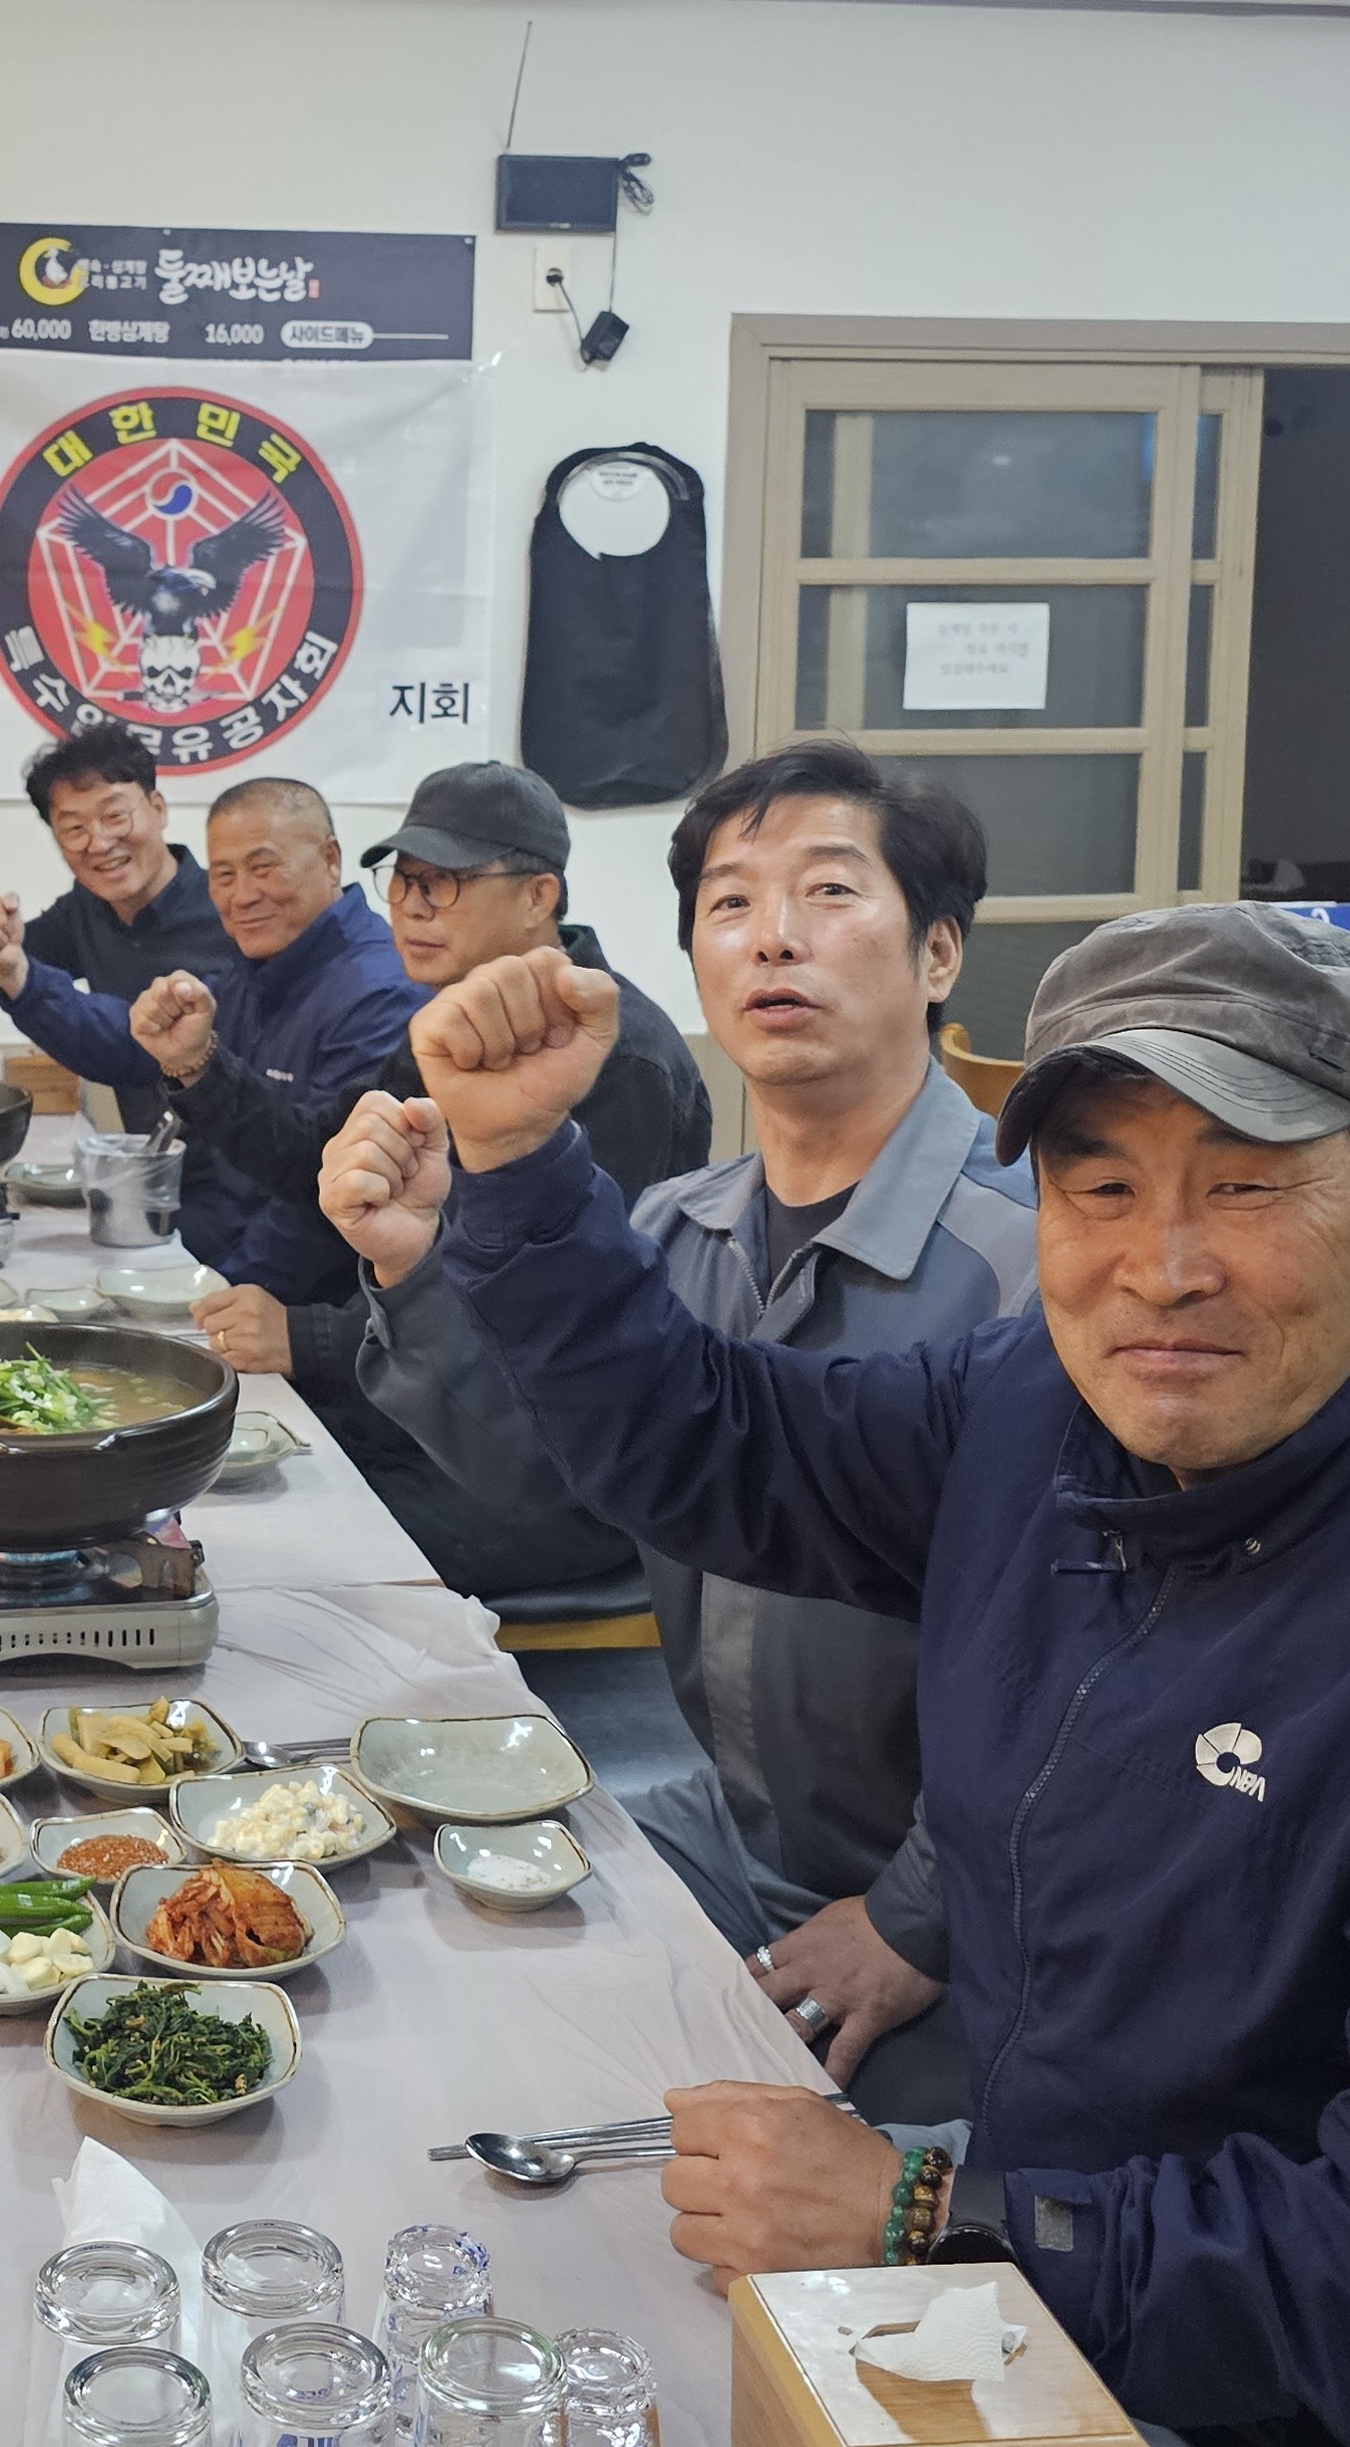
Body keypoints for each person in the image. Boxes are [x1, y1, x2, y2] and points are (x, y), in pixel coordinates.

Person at [369, 902, 1350, 2447]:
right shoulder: (1045, 1402)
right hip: (1055, 2271)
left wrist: (940, 2215)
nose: (1163, 1266)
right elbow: (718, 1441)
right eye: (1100, 1185)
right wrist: (523, 1163)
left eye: (1247, 1185)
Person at [321, 742, 1024, 2118]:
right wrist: (417, 1263)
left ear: (939, 952)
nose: (773, 935)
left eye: (830, 890)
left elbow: (1087, 1664)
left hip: (975, 1899)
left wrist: (916, 1917)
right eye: (729, 902)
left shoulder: (1030, 1260)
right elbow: (556, 1490)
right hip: (740, 1824)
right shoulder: (678, 1226)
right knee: (426, 1997)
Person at [127, 760, 708, 1599]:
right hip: (428, 1408)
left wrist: (310, 1338)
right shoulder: (450, 1020)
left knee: (269, 1555)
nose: (410, 907)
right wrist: (199, 1067)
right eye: (402, 881)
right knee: (188, 1478)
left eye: (443, 884)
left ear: (539, 895)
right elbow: (328, 1169)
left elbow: (561, 1324)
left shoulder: (624, 1063)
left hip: (557, 1471)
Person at [0, 775, 421, 1302]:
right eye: (224, 875)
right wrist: (18, 977)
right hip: (216, 1248)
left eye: (263, 867)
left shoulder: (379, 991)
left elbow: (323, 1187)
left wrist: (219, 1295)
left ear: (330, 859)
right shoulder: (257, 967)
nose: (242, 895)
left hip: (306, 1302)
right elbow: (135, 1043)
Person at [0, 722, 243, 1133]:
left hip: (239, 1156)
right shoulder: (87, 911)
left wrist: (20, 977)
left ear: (158, 809)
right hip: (149, 1158)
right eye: (75, 829)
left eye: (115, 816)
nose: (99, 843)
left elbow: (145, 1047)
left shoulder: (231, 914)